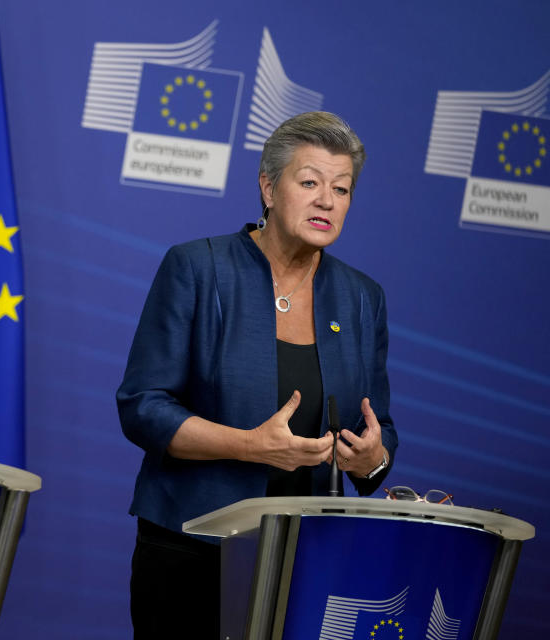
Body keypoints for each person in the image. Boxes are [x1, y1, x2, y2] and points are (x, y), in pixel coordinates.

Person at [117, 111, 398, 638]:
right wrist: (250, 445)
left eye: (342, 189)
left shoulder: (363, 299)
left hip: (306, 559)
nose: (326, 200)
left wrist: (372, 457)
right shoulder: (198, 268)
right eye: (310, 182)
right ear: (269, 187)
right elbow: (143, 406)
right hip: (191, 549)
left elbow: (379, 429)